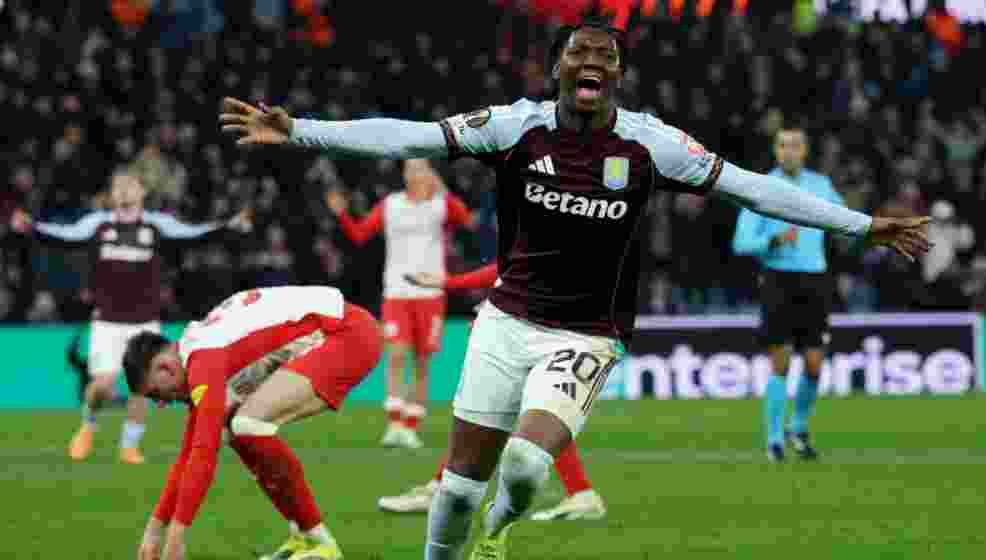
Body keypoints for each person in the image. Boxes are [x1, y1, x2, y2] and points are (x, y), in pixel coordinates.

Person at [220, 18, 930, 560]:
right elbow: (406, 136)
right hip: (505, 322)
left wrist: (860, 225)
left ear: (617, 75)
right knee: (460, 487)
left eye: (606, 56)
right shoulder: (513, 127)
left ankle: (499, 534)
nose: (591, 61)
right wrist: (302, 132)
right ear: (559, 67)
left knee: (526, 464)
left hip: (588, 332)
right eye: (579, 53)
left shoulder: (652, 144)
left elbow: (752, 190)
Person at [125, 285, 383, 560]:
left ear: (165, 367)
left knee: (249, 424)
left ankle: (322, 544)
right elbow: (190, 453)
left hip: (347, 335)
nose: (161, 404)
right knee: (234, 427)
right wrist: (155, 530)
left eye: (155, 394)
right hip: (335, 330)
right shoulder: (197, 349)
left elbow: (204, 452)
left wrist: (176, 537)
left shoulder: (204, 360)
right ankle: (304, 536)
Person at [9, 171, 250, 465]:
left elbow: (194, 234)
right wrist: (31, 227)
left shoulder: (157, 225)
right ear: (112, 194)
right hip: (108, 319)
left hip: (145, 320)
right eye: (118, 185)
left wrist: (229, 226)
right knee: (103, 384)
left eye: (130, 184)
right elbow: (63, 236)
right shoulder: (97, 224)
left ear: (141, 192)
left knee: (143, 386)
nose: (124, 189)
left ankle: (129, 446)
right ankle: (88, 425)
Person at [378, 264, 607, 522]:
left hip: (546, 323)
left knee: (502, 409)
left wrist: (455, 285)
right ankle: (581, 493)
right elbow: (512, 265)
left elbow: (513, 265)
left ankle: (439, 489)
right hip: (549, 317)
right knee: (526, 410)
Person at [325, 159, 475, 449]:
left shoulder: (440, 205)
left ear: (430, 173)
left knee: (421, 362)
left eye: (421, 168)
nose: (415, 174)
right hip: (396, 292)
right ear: (404, 175)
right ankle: (394, 422)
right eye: (410, 169)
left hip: (430, 293)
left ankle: (411, 426)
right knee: (395, 355)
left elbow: (466, 220)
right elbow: (359, 234)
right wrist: (342, 214)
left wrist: (441, 188)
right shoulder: (390, 204)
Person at [731, 125, 843, 462]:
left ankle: (800, 427)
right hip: (778, 280)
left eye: (795, 145)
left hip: (815, 280)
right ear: (775, 151)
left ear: (804, 151)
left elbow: (842, 219)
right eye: (782, 145)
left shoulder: (821, 186)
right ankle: (775, 439)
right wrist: (774, 241)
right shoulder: (761, 187)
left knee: (813, 363)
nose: (788, 151)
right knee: (780, 363)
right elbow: (741, 242)